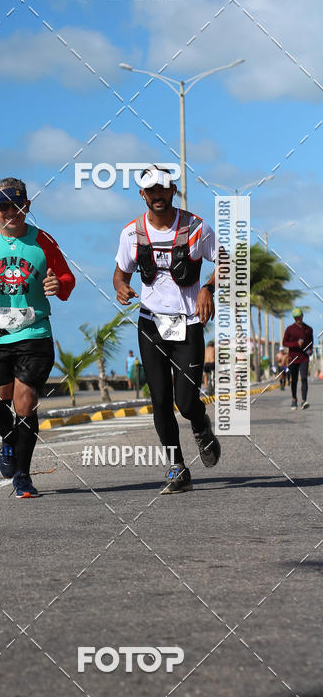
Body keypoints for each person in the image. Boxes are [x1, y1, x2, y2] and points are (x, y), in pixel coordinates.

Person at [0, 177, 75, 498]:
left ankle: (22, 475)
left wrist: (59, 285)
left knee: (25, 401)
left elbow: (67, 278)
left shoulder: (42, 241)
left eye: (18, 206)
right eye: (4, 206)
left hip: (34, 333)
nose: (11, 212)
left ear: (27, 206)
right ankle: (9, 439)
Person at [113, 166, 220, 494]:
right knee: (160, 398)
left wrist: (208, 289)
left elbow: (226, 263)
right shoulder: (132, 233)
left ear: (173, 190)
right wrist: (120, 287)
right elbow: (120, 273)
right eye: (151, 191)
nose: (157, 195)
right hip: (151, 324)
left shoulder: (197, 228)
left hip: (188, 324)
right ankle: (177, 467)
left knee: (185, 402)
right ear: (142, 195)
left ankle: (200, 425)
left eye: (163, 189)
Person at [283, 308, 313, 410]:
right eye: (296, 318)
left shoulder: (309, 329)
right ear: (294, 318)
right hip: (293, 357)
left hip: (304, 357)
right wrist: (296, 344)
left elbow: (311, 342)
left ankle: (304, 401)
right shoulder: (289, 329)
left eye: (299, 317)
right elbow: (284, 342)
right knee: (294, 380)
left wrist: (310, 349)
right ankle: (294, 399)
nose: (298, 319)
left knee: (304, 378)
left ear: (302, 316)